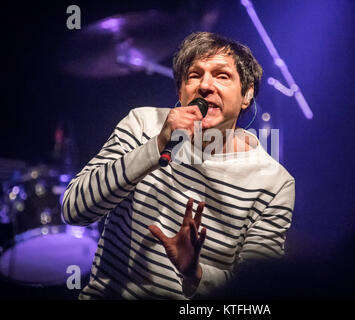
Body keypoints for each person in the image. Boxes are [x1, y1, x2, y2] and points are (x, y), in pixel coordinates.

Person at [62, 32, 295, 300]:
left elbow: (258, 291)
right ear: (180, 91)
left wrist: (194, 272)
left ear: (247, 94)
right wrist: (156, 146)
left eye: (222, 76)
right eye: (194, 75)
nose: (205, 86)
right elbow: (74, 210)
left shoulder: (274, 183)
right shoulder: (143, 124)